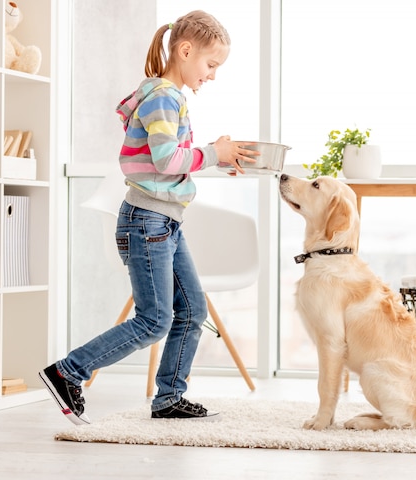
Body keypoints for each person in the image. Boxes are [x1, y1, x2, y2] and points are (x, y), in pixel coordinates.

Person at [39, 10, 258, 425]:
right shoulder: (164, 97)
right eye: (210, 65)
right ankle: (68, 371)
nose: (212, 75)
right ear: (185, 50)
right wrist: (213, 154)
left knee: (192, 311)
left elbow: (169, 159)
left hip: (164, 223)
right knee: (154, 320)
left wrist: (215, 154)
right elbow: (166, 159)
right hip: (148, 223)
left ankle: (169, 398)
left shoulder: (166, 97)